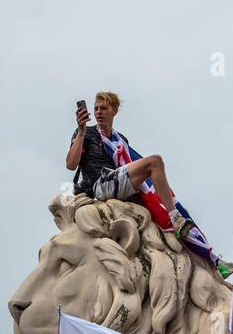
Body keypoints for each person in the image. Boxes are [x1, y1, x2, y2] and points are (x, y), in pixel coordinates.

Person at [66, 92, 195, 237]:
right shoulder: (86, 133)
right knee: (155, 162)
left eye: (103, 108)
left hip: (120, 183)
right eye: (96, 109)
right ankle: (175, 217)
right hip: (100, 184)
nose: (98, 112)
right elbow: (71, 164)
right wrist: (81, 132)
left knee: (156, 204)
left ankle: (200, 248)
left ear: (114, 110)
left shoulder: (121, 140)